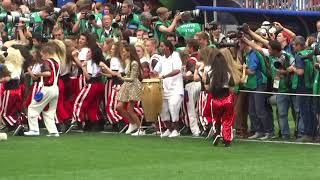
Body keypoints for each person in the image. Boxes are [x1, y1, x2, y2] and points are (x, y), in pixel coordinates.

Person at [24, 40, 66, 137]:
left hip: (47, 88)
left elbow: (48, 73)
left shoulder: (47, 62)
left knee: (32, 108)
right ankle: (53, 131)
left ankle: (34, 130)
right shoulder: (57, 62)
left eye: (42, 54)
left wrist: (39, 74)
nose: (41, 56)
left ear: (47, 53)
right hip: (55, 89)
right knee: (49, 111)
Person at [153, 40, 184, 138]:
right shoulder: (161, 59)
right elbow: (155, 71)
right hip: (164, 89)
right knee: (163, 110)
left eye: (162, 46)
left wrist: (164, 76)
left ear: (168, 47)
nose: (160, 48)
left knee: (173, 107)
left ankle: (176, 130)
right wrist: (154, 75)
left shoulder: (176, 56)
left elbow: (177, 70)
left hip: (176, 89)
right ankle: (169, 129)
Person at [207, 50, 237, 147]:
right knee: (227, 120)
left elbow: (207, 88)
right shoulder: (228, 73)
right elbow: (232, 88)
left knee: (216, 119)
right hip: (227, 100)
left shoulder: (210, 73)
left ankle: (217, 133)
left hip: (215, 100)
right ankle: (226, 140)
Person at [289, 36, 315, 142]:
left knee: (304, 111)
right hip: (311, 86)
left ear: (299, 45)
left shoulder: (299, 55)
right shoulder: (309, 53)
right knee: (311, 111)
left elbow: (300, 72)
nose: (293, 47)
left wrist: (292, 69)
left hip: (302, 87)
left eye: (294, 45)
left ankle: (307, 134)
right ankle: (313, 134)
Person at [116, 43, 143, 135]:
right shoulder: (128, 61)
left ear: (129, 52)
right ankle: (132, 124)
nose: (122, 53)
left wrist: (121, 77)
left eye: (124, 51)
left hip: (133, 86)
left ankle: (140, 129)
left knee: (130, 109)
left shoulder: (134, 63)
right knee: (119, 107)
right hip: (127, 85)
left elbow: (132, 78)